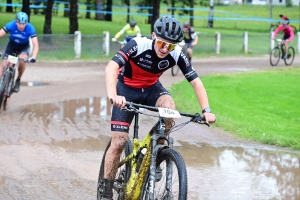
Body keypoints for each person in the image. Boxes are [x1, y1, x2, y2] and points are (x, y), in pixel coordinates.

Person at [102, 16, 216, 199]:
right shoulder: (138, 44)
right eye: (162, 43)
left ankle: (152, 156)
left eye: (170, 46)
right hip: (126, 88)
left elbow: (195, 82)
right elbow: (111, 67)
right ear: (154, 36)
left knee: (170, 109)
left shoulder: (177, 53)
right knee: (119, 142)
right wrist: (113, 94)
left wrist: (206, 111)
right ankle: (106, 190)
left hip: (152, 88)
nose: (165, 49)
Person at [0, 11, 39, 93]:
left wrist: (34, 57)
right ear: (16, 22)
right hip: (12, 46)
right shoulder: (11, 25)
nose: (21, 26)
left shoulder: (30, 28)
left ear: (26, 23)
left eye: (23, 23)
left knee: (22, 61)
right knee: (4, 65)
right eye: (19, 23)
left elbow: (36, 45)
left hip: (24, 47)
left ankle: (18, 79)